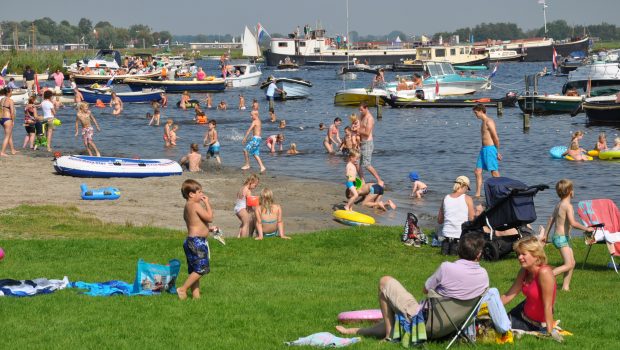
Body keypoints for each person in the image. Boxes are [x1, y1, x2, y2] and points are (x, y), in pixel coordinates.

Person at [336, 233, 489, 340]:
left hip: (425, 324)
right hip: (450, 327)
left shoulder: (447, 268)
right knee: (397, 317)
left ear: (459, 251)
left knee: (385, 282)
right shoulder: (484, 276)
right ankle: (356, 331)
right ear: (479, 254)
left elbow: (425, 289)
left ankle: (389, 336)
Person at [500, 237, 563, 342]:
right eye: (518, 254)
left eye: (523, 254)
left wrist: (550, 331)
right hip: (521, 312)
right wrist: (490, 306)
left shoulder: (544, 273)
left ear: (536, 255)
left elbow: (548, 305)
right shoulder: (524, 271)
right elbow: (509, 295)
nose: (519, 257)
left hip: (534, 323)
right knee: (491, 319)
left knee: (495, 326)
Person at [539, 179, 594, 291]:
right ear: (570, 191)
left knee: (572, 263)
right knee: (569, 264)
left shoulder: (559, 204)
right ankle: (544, 277)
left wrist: (546, 235)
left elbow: (551, 219)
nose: (573, 191)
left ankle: (565, 287)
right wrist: (587, 228)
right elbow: (573, 223)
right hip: (561, 238)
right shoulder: (568, 206)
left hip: (561, 237)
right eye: (572, 189)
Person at [177, 179, 214, 300]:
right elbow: (209, 218)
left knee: (194, 269)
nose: (202, 195)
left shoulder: (188, 206)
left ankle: (196, 296)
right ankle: (183, 289)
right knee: (202, 268)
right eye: (200, 192)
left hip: (191, 241)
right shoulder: (195, 205)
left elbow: (196, 224)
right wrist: (207, 203)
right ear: (191, 194)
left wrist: (209, 230)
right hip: (197, 242)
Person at [437, 176, 475, 256]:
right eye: (467, 189)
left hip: (445, 237)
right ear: (465, 186)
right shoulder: (468, 198)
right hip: (459, 236)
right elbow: (472, 220)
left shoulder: (446, 198)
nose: (467, 191)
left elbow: (440, 220)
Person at [473, 104, 501, 197]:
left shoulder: (489, 122)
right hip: (483, 149)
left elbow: (496, 138)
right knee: (477, 171)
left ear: (481, 111)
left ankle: (501, 191)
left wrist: (497, 152)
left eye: (476, 113)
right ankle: (477, 194)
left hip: (490, 149)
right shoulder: (483, 122)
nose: (475, 115)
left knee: (494, 172)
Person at [358, 102, 383, 185]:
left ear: (366, 108)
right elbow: (357, 125)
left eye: (361, 110)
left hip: (367, 143)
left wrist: (357, 131)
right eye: (359, 110)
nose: (360, 112)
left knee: (367, 165)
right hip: (360, 142)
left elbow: (367, 133)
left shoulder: (370, 118)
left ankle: (379, 180)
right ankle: (362, 181)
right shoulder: (361, 116)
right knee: (357, 163)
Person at [1, 88, 17, 156]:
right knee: (7, 136)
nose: (12, 93)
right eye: (11, 91)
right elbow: (12, 112)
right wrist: (13, 121)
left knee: (9, 135)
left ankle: (12, 150)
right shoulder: (10, 100)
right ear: (8, 93)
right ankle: (2, 152)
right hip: (8, 119)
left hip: (1, 118)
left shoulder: (2, 99)